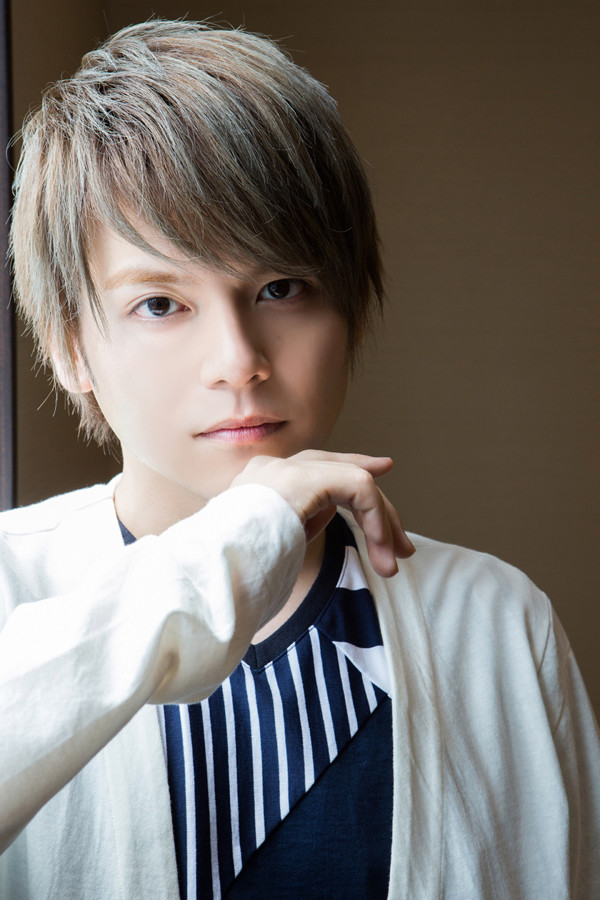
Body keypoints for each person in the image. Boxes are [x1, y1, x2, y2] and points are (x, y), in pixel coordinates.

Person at [1, 19, 598, 900]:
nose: (238, 360)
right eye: (160, 304)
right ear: (68, 347)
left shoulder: (495, 624)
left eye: (280, 289)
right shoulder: (13, 586)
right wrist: (240, 543)